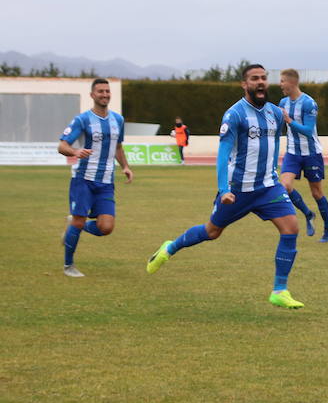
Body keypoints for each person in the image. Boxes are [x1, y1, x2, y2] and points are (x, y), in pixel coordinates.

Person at [146, 64, 304, 309]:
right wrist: (223, 189)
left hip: (268, 187)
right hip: (238, 189)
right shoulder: (234, 115)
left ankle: (279, 290)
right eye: (254, 79)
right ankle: (171, 247)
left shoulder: (275, 112)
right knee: (212, 232)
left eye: (263, 78)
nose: (260, 82)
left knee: (291, 228)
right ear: (244, 84)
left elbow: (272, 146)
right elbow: (222, 154)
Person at [58, 78, 134, 277]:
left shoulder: (118, 120)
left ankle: (75, 226)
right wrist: (75, 152)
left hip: (106, 181)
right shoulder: (82, 120)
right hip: (83, 179)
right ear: (92, 95)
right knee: (79, 220)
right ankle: (68, 265)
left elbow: (118, 147)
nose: (105, 94)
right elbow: (62, 145)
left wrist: (125, 166)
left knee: (106, 227)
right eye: (100, 91)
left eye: (107, 91)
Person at [278, 68, 328, 243]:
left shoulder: (309, 103)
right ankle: (308, 214)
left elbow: (308, 131)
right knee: (284, 187)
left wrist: (289, 121)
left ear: (292, 82)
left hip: (311, 154)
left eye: (282, 81)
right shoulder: (282, 102)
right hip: (292, 153)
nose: (280, 85)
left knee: (317, 193)